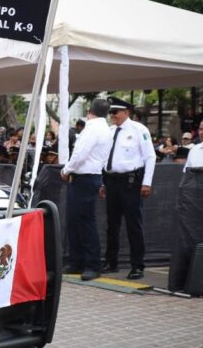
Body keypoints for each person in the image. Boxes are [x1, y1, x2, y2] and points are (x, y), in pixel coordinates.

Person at [99, 97, 156, 280]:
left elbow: (150, 157)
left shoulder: (139, 130)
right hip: (111, 181)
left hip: (130, 182)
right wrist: (103, 183)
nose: (112, 116)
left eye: (115, 112)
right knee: (112, 224)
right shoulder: (110, 131)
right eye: (110, 112)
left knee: (133, 224)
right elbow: (104, 158)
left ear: (126, 112)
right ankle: (111, 261)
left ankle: (137, 265)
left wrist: (147, 182)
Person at [60, 98, 111, 281]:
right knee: (77, 221)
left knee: (84, 221)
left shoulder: (93, 128)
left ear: (90, 111)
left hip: (85, 177)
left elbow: (80, 153)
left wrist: (67, 169)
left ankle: (91, 264)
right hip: (89, 176)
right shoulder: (104, 128)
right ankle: (77, 261)